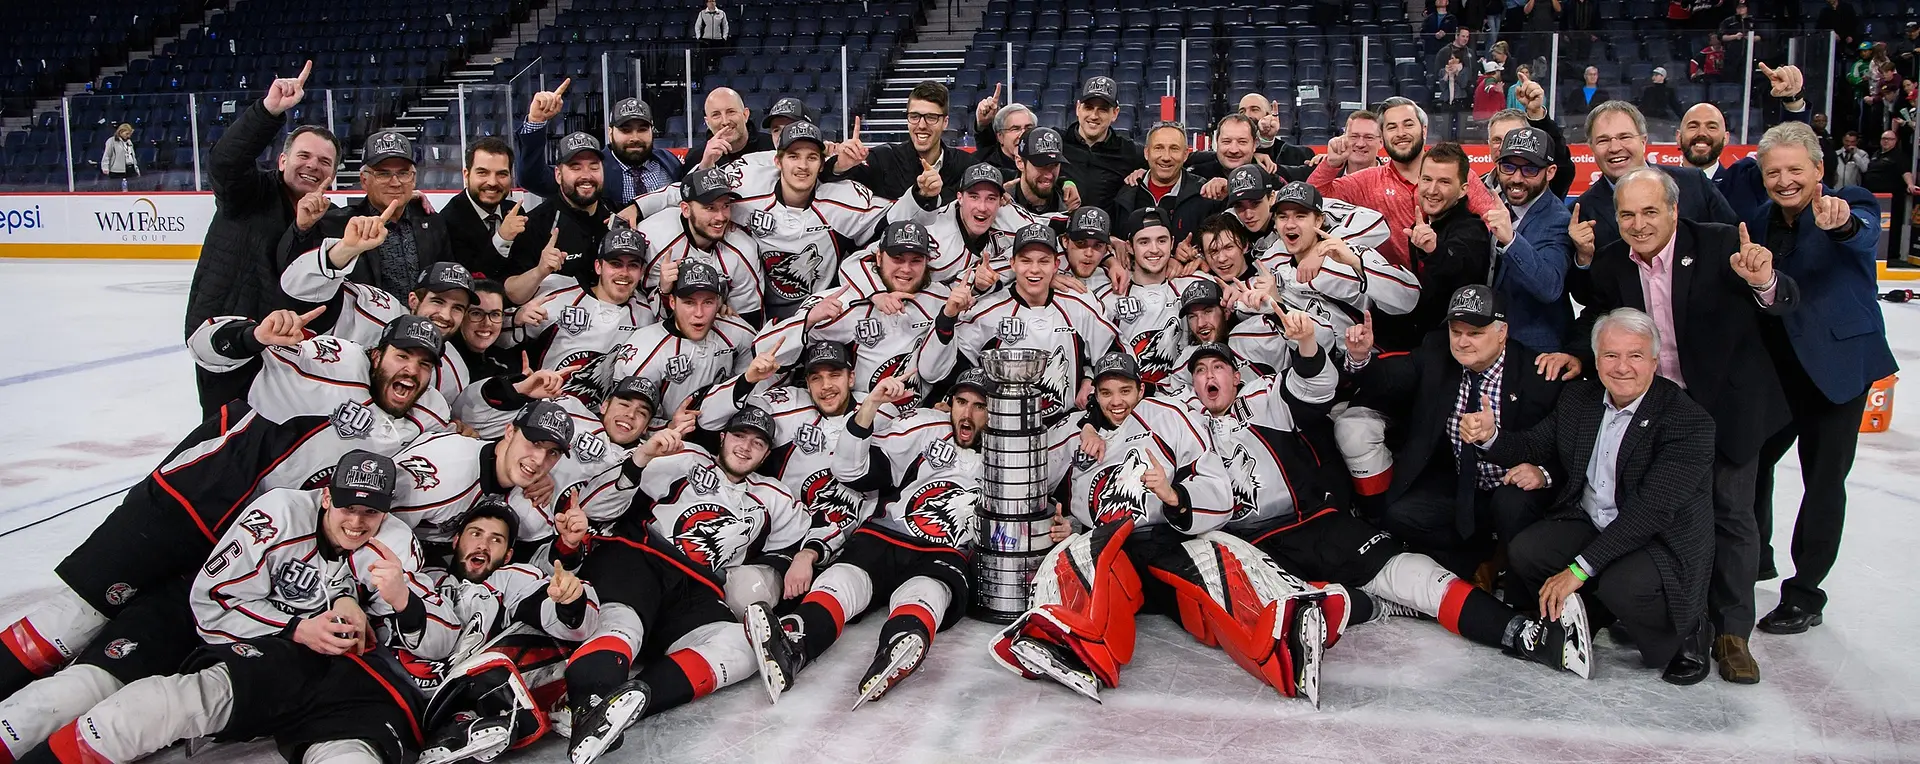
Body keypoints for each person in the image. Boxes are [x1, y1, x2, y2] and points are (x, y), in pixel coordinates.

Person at [0, 314, 448, 702]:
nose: (411, 370)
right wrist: (254, 335)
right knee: (74, 617)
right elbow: (205, 342)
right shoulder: (336, 360)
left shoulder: (426, 420)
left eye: (424, 363)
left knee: (125, 649)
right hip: (181, 507)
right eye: (401, 356)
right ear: (376, 355)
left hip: (240, 545)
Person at [1185, 336, 1592, 696]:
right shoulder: (1180, 423)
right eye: (1200, 371)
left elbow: (1315, 384)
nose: (1209, 376)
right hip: (1251, 544)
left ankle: (1526, 635)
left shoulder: (1265, 397)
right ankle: (1313, 639)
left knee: (1412, 575)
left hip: (1314, 523)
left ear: (1236, 376)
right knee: (1279, 600)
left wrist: (1308, 344)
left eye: (1218, 366)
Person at [0, 451, 427, 760]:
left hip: (256, 650)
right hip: (183, 621)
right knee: (76, 693)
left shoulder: (382, 546)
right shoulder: (279, 515)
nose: (357, 522)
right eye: (349, 506)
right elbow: (211, 603)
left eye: (370, 513)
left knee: (142, 716)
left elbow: (390, 621)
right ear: (327, 497)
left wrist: (353, 602)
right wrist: (296, 628)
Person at [1573, 167, 1800, 684]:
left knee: (1731, 515)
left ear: (1674, 211)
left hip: (1729, 408)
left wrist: (1763, 280)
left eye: (1650, 211)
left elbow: (1785, 300)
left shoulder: (1722, 245)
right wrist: (1572, 354)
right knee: (1664, 518)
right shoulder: (1612, 263)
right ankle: (1684, 621)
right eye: (1627, 214)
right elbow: (1598, 317)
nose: (1638, 223)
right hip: (1659, 414)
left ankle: (1733, 634)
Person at [562, 408, 807, 764]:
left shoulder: (775, 497)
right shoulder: (685, 456)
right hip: (640, 557)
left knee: (740, 645)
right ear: (722, 437)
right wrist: (643, 456)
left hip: (695, 589)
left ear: (767, 454)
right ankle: (592, 700)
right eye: (739, 436)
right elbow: (597, 506)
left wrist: (802, 558)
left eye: (757, 443)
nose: (745, 447)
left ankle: (626, 706)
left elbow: (798, 541)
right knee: (623, 624)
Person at [988, 353, 1234, 702]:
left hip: (1162, 543)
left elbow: (1218, 490)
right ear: (1096, 397)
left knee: (1216, 572)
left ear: (1141, 389)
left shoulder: (1169, 416)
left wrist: (1173, 494)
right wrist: (1064, 524)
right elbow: (1029, 485)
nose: (1116, 402)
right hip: (1110, 554)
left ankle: (1274, 625)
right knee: (1090, 554)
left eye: (1125, 391)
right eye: (1106, 393)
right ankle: (1069, 646)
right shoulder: (1076, 435)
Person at [747, 369, 997, 707]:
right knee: (843, 577)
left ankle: (901, 640)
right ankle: (795, 640)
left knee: (928, 589)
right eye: (961, 403)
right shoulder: (925, 428)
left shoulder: (1016, 450)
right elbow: (849, 470)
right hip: (888, 534)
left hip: (948, 550)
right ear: (949, 403)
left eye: (979, 406)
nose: (966, 415)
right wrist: (873, 404)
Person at [1497, 309, 1718, 684]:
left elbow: (1649, 512)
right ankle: (1596, 611)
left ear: (1654, 361)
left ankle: (1688, 631)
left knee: (1622, 586)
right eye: (1611, 355)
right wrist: (1490, 436)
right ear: (1596, 360)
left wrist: (1578, 570)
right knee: (1527, 551)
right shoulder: (1579, 397)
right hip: (1594, 521)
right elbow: (1535, 443)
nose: (1622, 367)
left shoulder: (1687, 421)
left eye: (1634, 355)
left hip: (1656, 539)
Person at [1743, 123, 1897, 635]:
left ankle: (1806, 592)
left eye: (1794, 170)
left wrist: (1844, 222)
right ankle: (1754, 559)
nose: (1784, 180)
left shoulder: (1847, 203)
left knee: (1823, 480)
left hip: (1836, 370)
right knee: (1751, 459)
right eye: (1773, 172)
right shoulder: (1761, 219)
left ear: (1818, 170)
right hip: (1777, 370)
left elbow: (1864, 231)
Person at [1348, 285, 1567, 577]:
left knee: (1511, 505)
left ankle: (1513, 575)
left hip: (1513, 491)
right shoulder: (1437, 351)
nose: (1462, 342)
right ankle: (1481, 558)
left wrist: (1543, 474)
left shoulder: (1537, 374)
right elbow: (1388, 380)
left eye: (1475, 333)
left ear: (1502, 333)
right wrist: (1361, 357)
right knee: (1399, 515)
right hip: (1460, 484)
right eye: (1456, 331)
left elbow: (1568, 447)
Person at [187, 60, 337, 418]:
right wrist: (268, 112)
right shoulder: (247, 193)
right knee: (226, 437)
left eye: (324, 162)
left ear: (333, 174)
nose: (313, 165)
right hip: (229, 340)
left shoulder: (327, 218)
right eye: (304, 156)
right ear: (282, 160)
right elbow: (225, 163)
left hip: (286, 350)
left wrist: (406, 199)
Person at [915, 224, 1121, 426]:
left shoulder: (1079, 305)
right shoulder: (987, 312)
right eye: (1026, 261)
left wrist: (1091, 378)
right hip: (1003, 429)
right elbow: (934, 371)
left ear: (1056, 265)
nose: (1034, 269)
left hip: (1066, 428)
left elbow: (1115, 355)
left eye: (1044, 261)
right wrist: (947, 316)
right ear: (1012, 264)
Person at [1309, 97, 1497, 271]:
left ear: (1423, 130)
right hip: (1391, 295)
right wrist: (1331, 164)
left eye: (1408, 125)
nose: (1401, 133)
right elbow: (1312, 199)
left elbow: (1491, 225)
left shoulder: (1459, 175)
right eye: (1391, 127)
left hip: (1450, 287)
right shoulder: (1366, 181)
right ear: (1382, 137)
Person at [279, 242, 478, 402]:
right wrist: (345, 248)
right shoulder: (375, 305)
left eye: (457, 308)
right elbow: (302, 288)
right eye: (437, 301)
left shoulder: (456, 372)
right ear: (413, 300)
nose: (445, 315)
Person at [386, 399, 576, 553]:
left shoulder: (527, 494)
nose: (540, 459)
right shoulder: (444, 474)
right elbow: (368, 522)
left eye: (553, 453)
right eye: (535, 443)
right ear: (509, 432)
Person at [280, 130, 449, 302]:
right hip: (365, 327)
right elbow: (292, 274)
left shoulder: (432, 222)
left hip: (422, 326)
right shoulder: (335, 224)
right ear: (364, 180)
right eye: (383, 174)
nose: (395, 182)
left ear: (413, 179)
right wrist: (302, 229)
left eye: (403, 173)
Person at [1569, 102, 1738, 268]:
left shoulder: (1694, 184)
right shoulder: (1582, 212)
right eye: (1603, 140)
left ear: (1643, 141)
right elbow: (1585, 291)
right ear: (1591, 148)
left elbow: (1733, 240)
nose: (1614, 148)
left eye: (1624, 137)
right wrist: (1584, 258)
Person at [609, 260, 757, 430]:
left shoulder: (738, 332)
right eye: (689, 303)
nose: (699, 313)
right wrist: (669, 427)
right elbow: (623, 423)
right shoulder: (643, 351)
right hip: (665, 443)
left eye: (708, 302)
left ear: (718, 303)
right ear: (672, 302)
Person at [1392, 143, 1493, 352]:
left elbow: (1458, 264)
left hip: (1457, 346)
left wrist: (1434, 249)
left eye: (1444, 182)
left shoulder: (1472, 229)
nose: (1432, 190)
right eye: (1427, 179)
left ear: (1463, 189)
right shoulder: (1419, 227)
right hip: (1422, 337)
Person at [634, 166, 765, 324]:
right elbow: (631, 303)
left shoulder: (744, 249)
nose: (721, 217)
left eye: (725, 206)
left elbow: (749, 319)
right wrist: (663, 291)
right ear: (686, 210)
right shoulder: (653, 236)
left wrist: (724, 320)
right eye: (710, 208)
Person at [1485, 126, 1574, 353]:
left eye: (1530, 170)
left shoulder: (1559, 220)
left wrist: (1510, 240)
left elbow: (1550, 287)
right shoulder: (1488, 203)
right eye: (1508, 167)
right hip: (1484, 342)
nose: (1516, 178)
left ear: (1551, 171)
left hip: (1534, 352)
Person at [1098, 209, 1211, 387]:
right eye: (1144, 242)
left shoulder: (1195, 284)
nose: (1154, 249)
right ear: (1129, 246)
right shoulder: (1108, 297)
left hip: (1184, 398)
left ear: (1172, 243)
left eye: (1162, 240)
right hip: (1128, 400)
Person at [831, 81, 978, 205]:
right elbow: (833, 182)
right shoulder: (884, 158)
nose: (921, 125)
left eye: (931, 117)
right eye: (914, 116)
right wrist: (840, 166)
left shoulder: (965, 166)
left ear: (945, 122)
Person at [504, 130, 613, 293]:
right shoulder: (536, 224)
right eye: (575, 168)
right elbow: (511, 292)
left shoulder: (619, 214)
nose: (586, 175)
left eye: (594, 167)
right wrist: (539, 271)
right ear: (558, 175)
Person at [1115, 122, 1227, 249]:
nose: (1166, 157)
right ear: (1146, 153)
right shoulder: (1125, 194)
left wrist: (1197, 256)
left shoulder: (1204, 195)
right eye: (1159, 148)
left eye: (1174, 149)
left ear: (1185, 155)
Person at [1060, 76, 1147, 217]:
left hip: (1107, 237)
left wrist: (1148, 173)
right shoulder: (1057, 142)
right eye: (1088, 107)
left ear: (1115, 113)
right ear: (1078, 108)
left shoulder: (1129, 150)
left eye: (1103, 110)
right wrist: (1063, 181)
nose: (1094, 116)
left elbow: (1174, 161)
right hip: (1062, 235)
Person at [439, 137, 521, 279]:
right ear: (466, 175)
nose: (492, 182)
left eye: (502, 174)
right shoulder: (447, 222)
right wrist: (502, 239)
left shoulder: (514, 211)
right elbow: (469, 281)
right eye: (482, 172)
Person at [683, 88, 774, 177]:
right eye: (716, 115)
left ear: (745, 115)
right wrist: (704, 168)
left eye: (731, 112)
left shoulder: (772, 147)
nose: (725, 121)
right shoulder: (695, 157)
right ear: (707, 122)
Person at [1862, 129, 1916, 262]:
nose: (1886, 141)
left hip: (1890, 199)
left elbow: (1906, 172)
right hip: (1874, 197)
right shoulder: (1876, 154)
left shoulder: (1898, 156)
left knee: (1890, 227)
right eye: (1884, 139)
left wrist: (1910, 184)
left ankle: (1891, 254)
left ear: (1895, 141)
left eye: (1889, 139)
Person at [1007, 127, 1075, 219]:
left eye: (1055, 165)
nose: (1049, 175)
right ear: (1020, 163)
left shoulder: (1069, 205)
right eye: (1041, 165)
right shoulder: (1002, 202)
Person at [1237, 93, 1316, 166]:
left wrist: (1266, 139)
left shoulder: (1299, 156)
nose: (1247, 115)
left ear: (1268, 115)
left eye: (1254, 109)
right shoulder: (1229, 155)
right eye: (1242, 112)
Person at [971, 87, 1036, 178]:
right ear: (1000, 137)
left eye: (1028, 128)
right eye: (1015, 129)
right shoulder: (979, 164)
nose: (1023, 134)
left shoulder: (1046, 161)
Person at [100, 123, 136, 191]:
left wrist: (136, 169)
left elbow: (132, 155)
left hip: (130, 169)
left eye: (130, 134)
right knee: (117, 189)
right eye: (127, 134)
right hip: (117, 171)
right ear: (121, 132)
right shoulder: (111, 141)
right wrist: (105, 167)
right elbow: (107, 155)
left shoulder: (129, 142)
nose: (128, 136)